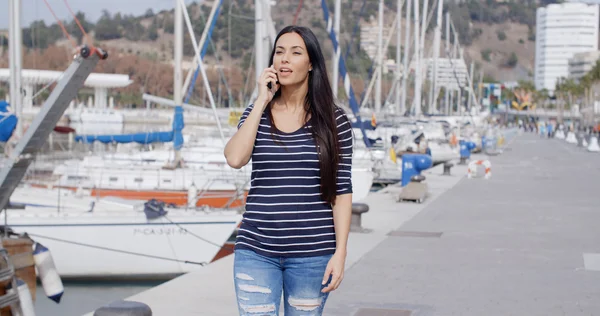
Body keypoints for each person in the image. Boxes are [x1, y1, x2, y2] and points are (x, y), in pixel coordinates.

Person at [224, 25, 353, 315]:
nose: (285, 59)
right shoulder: (257, 113)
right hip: (255, 250)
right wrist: (261, 101)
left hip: (313, 254)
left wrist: (340, 253)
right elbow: (234, 158)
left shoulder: (334, 122)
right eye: (279, 52)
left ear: (311, 65)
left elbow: (342, 192)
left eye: (295, 53)